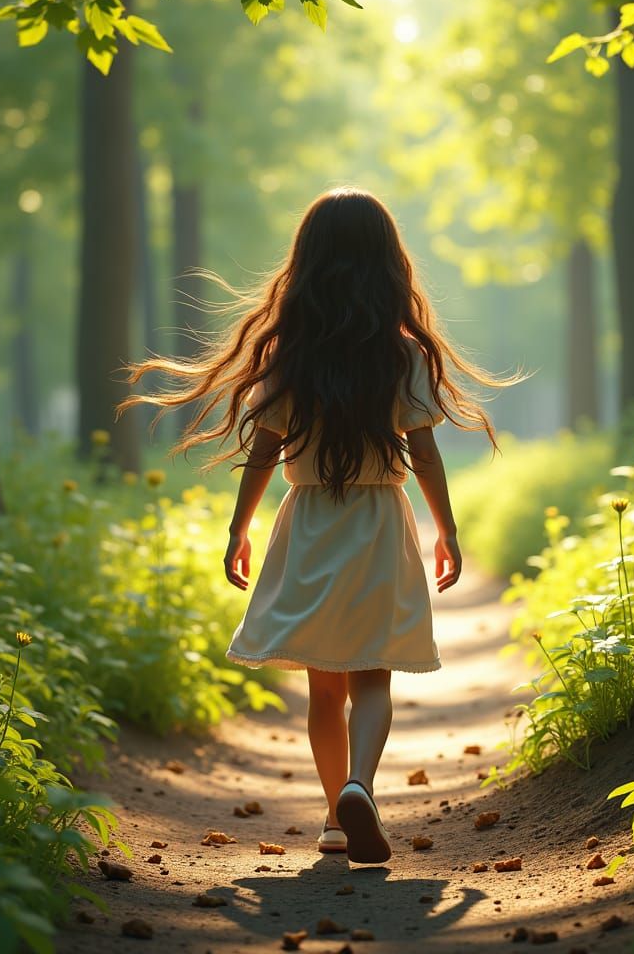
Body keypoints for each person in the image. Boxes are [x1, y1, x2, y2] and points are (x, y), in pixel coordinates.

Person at [121, 187, 516, 864]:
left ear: (305, 263)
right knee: (371, 678)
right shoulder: (402, 355)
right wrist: (447, 530)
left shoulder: (288, 355)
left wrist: (238, 528)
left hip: (307, 521)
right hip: (379, 523)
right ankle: (363, 783)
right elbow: (423, 451)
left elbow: (263, 452)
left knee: (322, 684)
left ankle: (336, 815)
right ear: (388, 264)